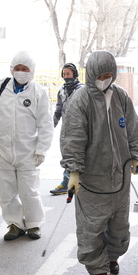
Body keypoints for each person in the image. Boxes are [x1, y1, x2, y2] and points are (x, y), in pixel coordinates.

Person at [60, 50, 138, 275]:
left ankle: (112, 257)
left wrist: (135, 156)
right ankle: (98, 268)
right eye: (101, 74)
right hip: (92, 178)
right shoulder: (81, 99)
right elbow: (72, 137)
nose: (105, 79)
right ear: (92, 74)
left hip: (120, 176)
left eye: (109, 74)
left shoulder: (121, 96)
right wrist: (74, 171)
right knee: (91, 226)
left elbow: (134, 130)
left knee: (119, 225)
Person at [0, 51, 54, 240]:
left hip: (27, 151)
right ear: (12, 69)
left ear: (32, 71)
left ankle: (33, 224)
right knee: (5, 191)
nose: (21, 72)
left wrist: (41, 150)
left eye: (25, 69)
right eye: (18, 68)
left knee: (29, 191)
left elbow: (46, 124)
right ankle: (14, 224)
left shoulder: (39, 93)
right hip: (2, 149)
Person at [50, 63, 84, 195]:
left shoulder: (82, 90)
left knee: (77, 154)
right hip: (66, 129)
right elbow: (58, 110)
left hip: (79, 128)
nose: (66, 77)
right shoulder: (62, 91)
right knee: (67, 154)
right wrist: (51, 126)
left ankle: (74, 181)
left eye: (68, 74)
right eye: (64, 74)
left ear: (75, 74)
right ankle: (67, 181)